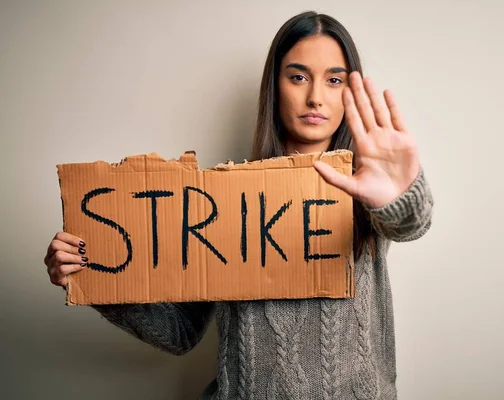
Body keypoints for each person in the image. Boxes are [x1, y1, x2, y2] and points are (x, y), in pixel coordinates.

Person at [44, 10, 434, 399]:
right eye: (298, 77)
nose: (315, 96)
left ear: (349, 92)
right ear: (274, 86)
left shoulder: (371, 183)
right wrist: (95, 276)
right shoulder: (223, 196)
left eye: (333, 80)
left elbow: (411, 223)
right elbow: (181, 333)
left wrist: (398, 196)